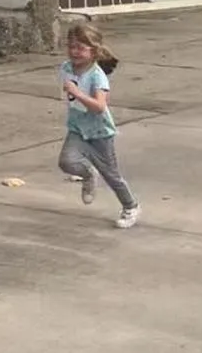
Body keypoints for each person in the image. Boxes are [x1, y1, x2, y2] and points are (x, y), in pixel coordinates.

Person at [58, 24, 141, 229]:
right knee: (66, 162)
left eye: (80, 48)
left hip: (99, 132)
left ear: (93, 51)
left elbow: (99, 107)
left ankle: (131, 206)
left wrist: (77, 93)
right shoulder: (66, 68)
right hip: (77, 128)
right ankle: (88, 174)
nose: (74, 52)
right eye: (71, 46)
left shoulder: (97, 76)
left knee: (111, 174)